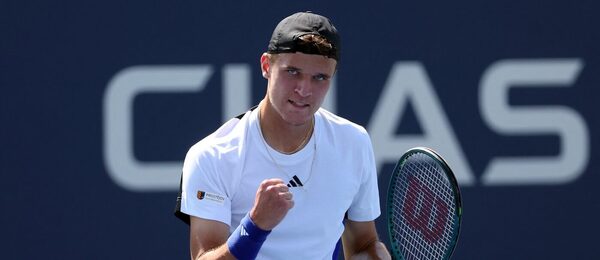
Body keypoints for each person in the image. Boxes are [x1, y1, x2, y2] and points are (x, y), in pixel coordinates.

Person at [175, 11, 391, 260]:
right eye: (293, 72)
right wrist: (255, 226)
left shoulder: (354, 142)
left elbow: (364, 244)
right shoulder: (212, 155)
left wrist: (376, 254)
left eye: (319, 77)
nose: (304, 90)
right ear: (266, 66)